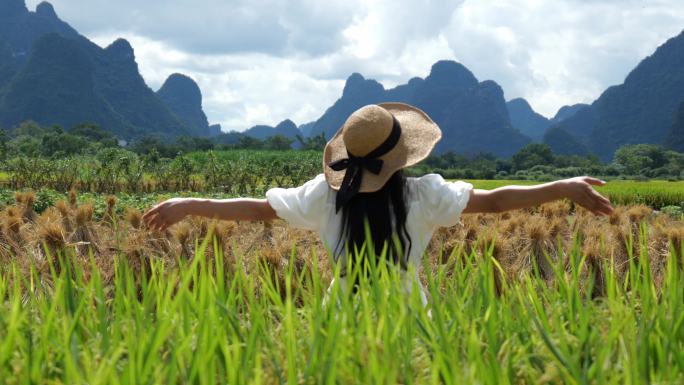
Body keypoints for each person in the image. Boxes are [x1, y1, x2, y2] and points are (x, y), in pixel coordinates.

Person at [142, 103, 614, 305]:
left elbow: (258, 209)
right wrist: (560, 186)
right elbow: (492, 203)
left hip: (339, 318)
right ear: (401, 157)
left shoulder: (325, 195)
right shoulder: (423, 195)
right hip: (408, 316)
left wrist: (190, 202)